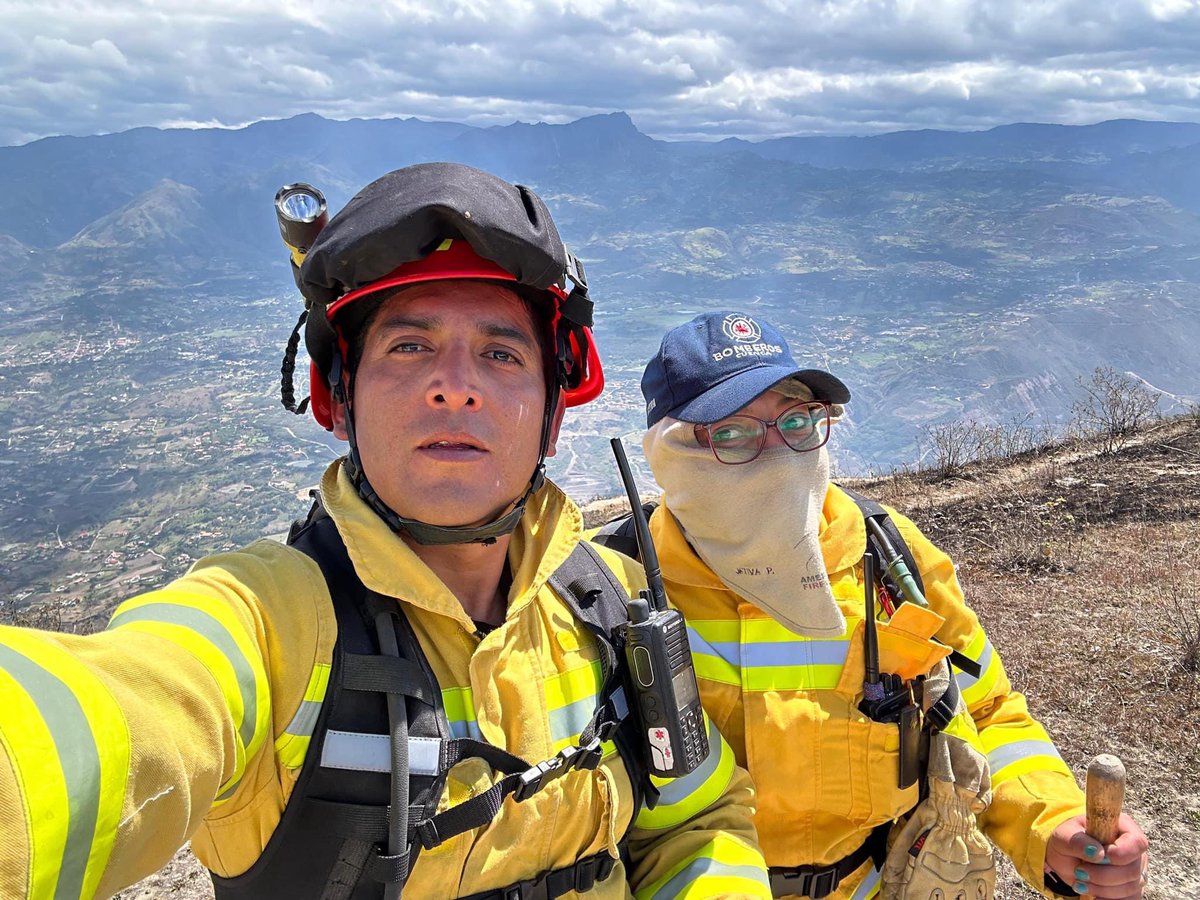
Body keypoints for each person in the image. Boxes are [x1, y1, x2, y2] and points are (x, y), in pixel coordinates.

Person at [0, 166, 773, 899]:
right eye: (410, 346)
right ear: (342, 399)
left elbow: (699, 821)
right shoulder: (270, 623)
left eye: (501, 353)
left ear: (552, 409)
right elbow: (102, 716)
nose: (455, 386)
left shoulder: (612, 604)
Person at [597, 310, 1150, 899]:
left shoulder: (888, 561)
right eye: (734, 433)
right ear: (672, 450)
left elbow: (987, 713)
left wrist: (1052, 824)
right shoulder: (610, 586)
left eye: (798, 423)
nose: (781, 454)